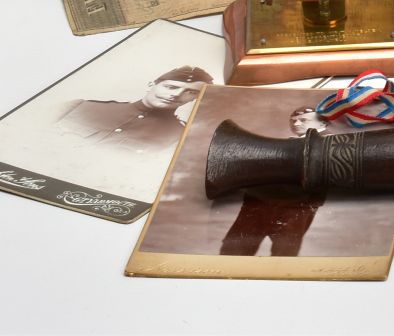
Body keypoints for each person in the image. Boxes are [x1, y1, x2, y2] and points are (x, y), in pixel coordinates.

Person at [218, 108, 328, 257]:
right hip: (258, 205)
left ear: (323, 123)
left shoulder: (328, 145)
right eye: (293, 120)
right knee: (234, 249)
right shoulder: (288, 143)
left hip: (295, 208)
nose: (295, 123)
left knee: (284, 253)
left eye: (303, 120)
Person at [56, 66, 213, 156]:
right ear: (151, 85)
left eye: (191, 92)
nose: (176, 94)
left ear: (196, 99)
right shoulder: (80, 106)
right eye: (170, 87)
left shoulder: (181, 138)